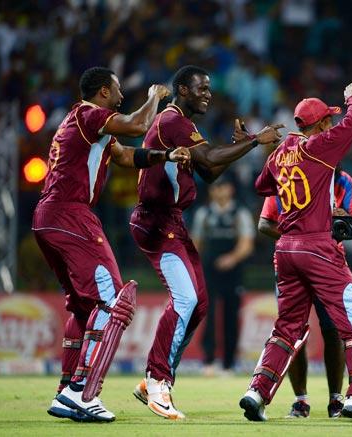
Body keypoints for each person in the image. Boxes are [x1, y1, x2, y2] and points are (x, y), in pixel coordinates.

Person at [32, 66, 190, 422]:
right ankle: (82, 392)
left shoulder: (81, 121)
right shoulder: (91, 114)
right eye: (117, 89)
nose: (121, 94)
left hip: (48, 217)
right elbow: (137, 125)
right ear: (104, 92)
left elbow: (123, 156)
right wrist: (155, 98)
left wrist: (165, 156)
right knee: (113, 300)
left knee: (85, 305)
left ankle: (66, 389)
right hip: (71, 214)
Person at [129, 65, 283, 420]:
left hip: (171, 222)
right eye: (201, 88)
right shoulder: (172, 121)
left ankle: (153, 378)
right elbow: (210, 159)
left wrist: (239, 145)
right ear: (182, 89)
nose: (208, 94)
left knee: (198, 305)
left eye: (209, 89)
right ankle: (157, 380)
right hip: (156, 221)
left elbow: (210, 170)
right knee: (185, 301)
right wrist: (255, 141)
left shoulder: (183, 124)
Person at [239, 83, 352, 422]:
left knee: (287, 327)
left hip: (285, 250)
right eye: (327, 121)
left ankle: (257, 391)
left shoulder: (281, 152)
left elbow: (262, 186)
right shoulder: (320, 147)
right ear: (321, 125)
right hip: (318, 246)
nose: (330, 126)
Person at [258, 167, 352, 418]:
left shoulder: (342, 180)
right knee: (294, 334)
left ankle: (336, 400)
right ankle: (301, 401)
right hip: (294, 265)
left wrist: (340, 219)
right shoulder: (286, 177)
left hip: (327, 264)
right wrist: (299, 236)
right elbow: (264, 223)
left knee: (333, 331)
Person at [192, 173, 256, 376]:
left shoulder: (240, 213)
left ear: (231, 190)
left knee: (231, 317)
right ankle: (208, 361)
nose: (219, 191)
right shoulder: (204, 213)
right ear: (211, 191)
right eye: (216, 188)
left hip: (233, 273)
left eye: (223, 187)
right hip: (209, 271)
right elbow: (196, 243)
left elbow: (246, 244)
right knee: (207, 316)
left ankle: (228, 364)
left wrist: (232, 258)